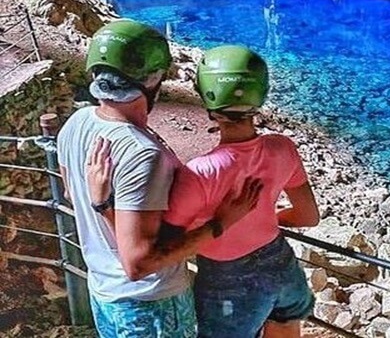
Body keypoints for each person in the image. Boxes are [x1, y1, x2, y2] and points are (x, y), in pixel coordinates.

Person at [89, 44, 320, 338]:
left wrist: (104, 204)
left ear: (207, 99)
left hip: (229, 283)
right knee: (286, 322)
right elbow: (308, 216)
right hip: (282, 265)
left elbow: (158, 248)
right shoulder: (282, 148)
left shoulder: (201, 173)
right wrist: (261, 220)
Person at [58, 19, 263, 338]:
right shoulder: (141, 154)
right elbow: (138, 263)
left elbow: (71, 194)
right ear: (152, 80)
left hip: (104, 292)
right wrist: (221, 223)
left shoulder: (76, 122)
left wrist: (106, 207)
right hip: (150, 304)